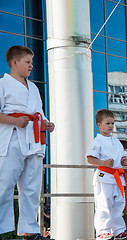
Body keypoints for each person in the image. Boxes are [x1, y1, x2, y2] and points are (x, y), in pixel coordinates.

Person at [0, 45, 55, 240]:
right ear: (15, 62)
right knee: (3, 185)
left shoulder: (33, 87)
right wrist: (14, 121)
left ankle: (29, 231)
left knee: (32, 188)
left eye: (32, 62)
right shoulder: (2, 84)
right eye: (28, 62)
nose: (32, 65)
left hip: (34, 139)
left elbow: (37, 111)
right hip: (12, 138)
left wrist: (46, 123)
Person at [86, 109, 127, 240]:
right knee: (104, 205)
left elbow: (123, 158)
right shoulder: (97, 141)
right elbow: (90, 159)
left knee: (119, 204)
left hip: (118, 178)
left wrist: (124, 161)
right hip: (104, 176)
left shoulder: (116, 142)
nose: (111, 126)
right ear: (99, 125)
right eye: (107, 123)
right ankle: (102, 232)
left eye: (112, 123)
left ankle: (118, 230)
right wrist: (104, 162)